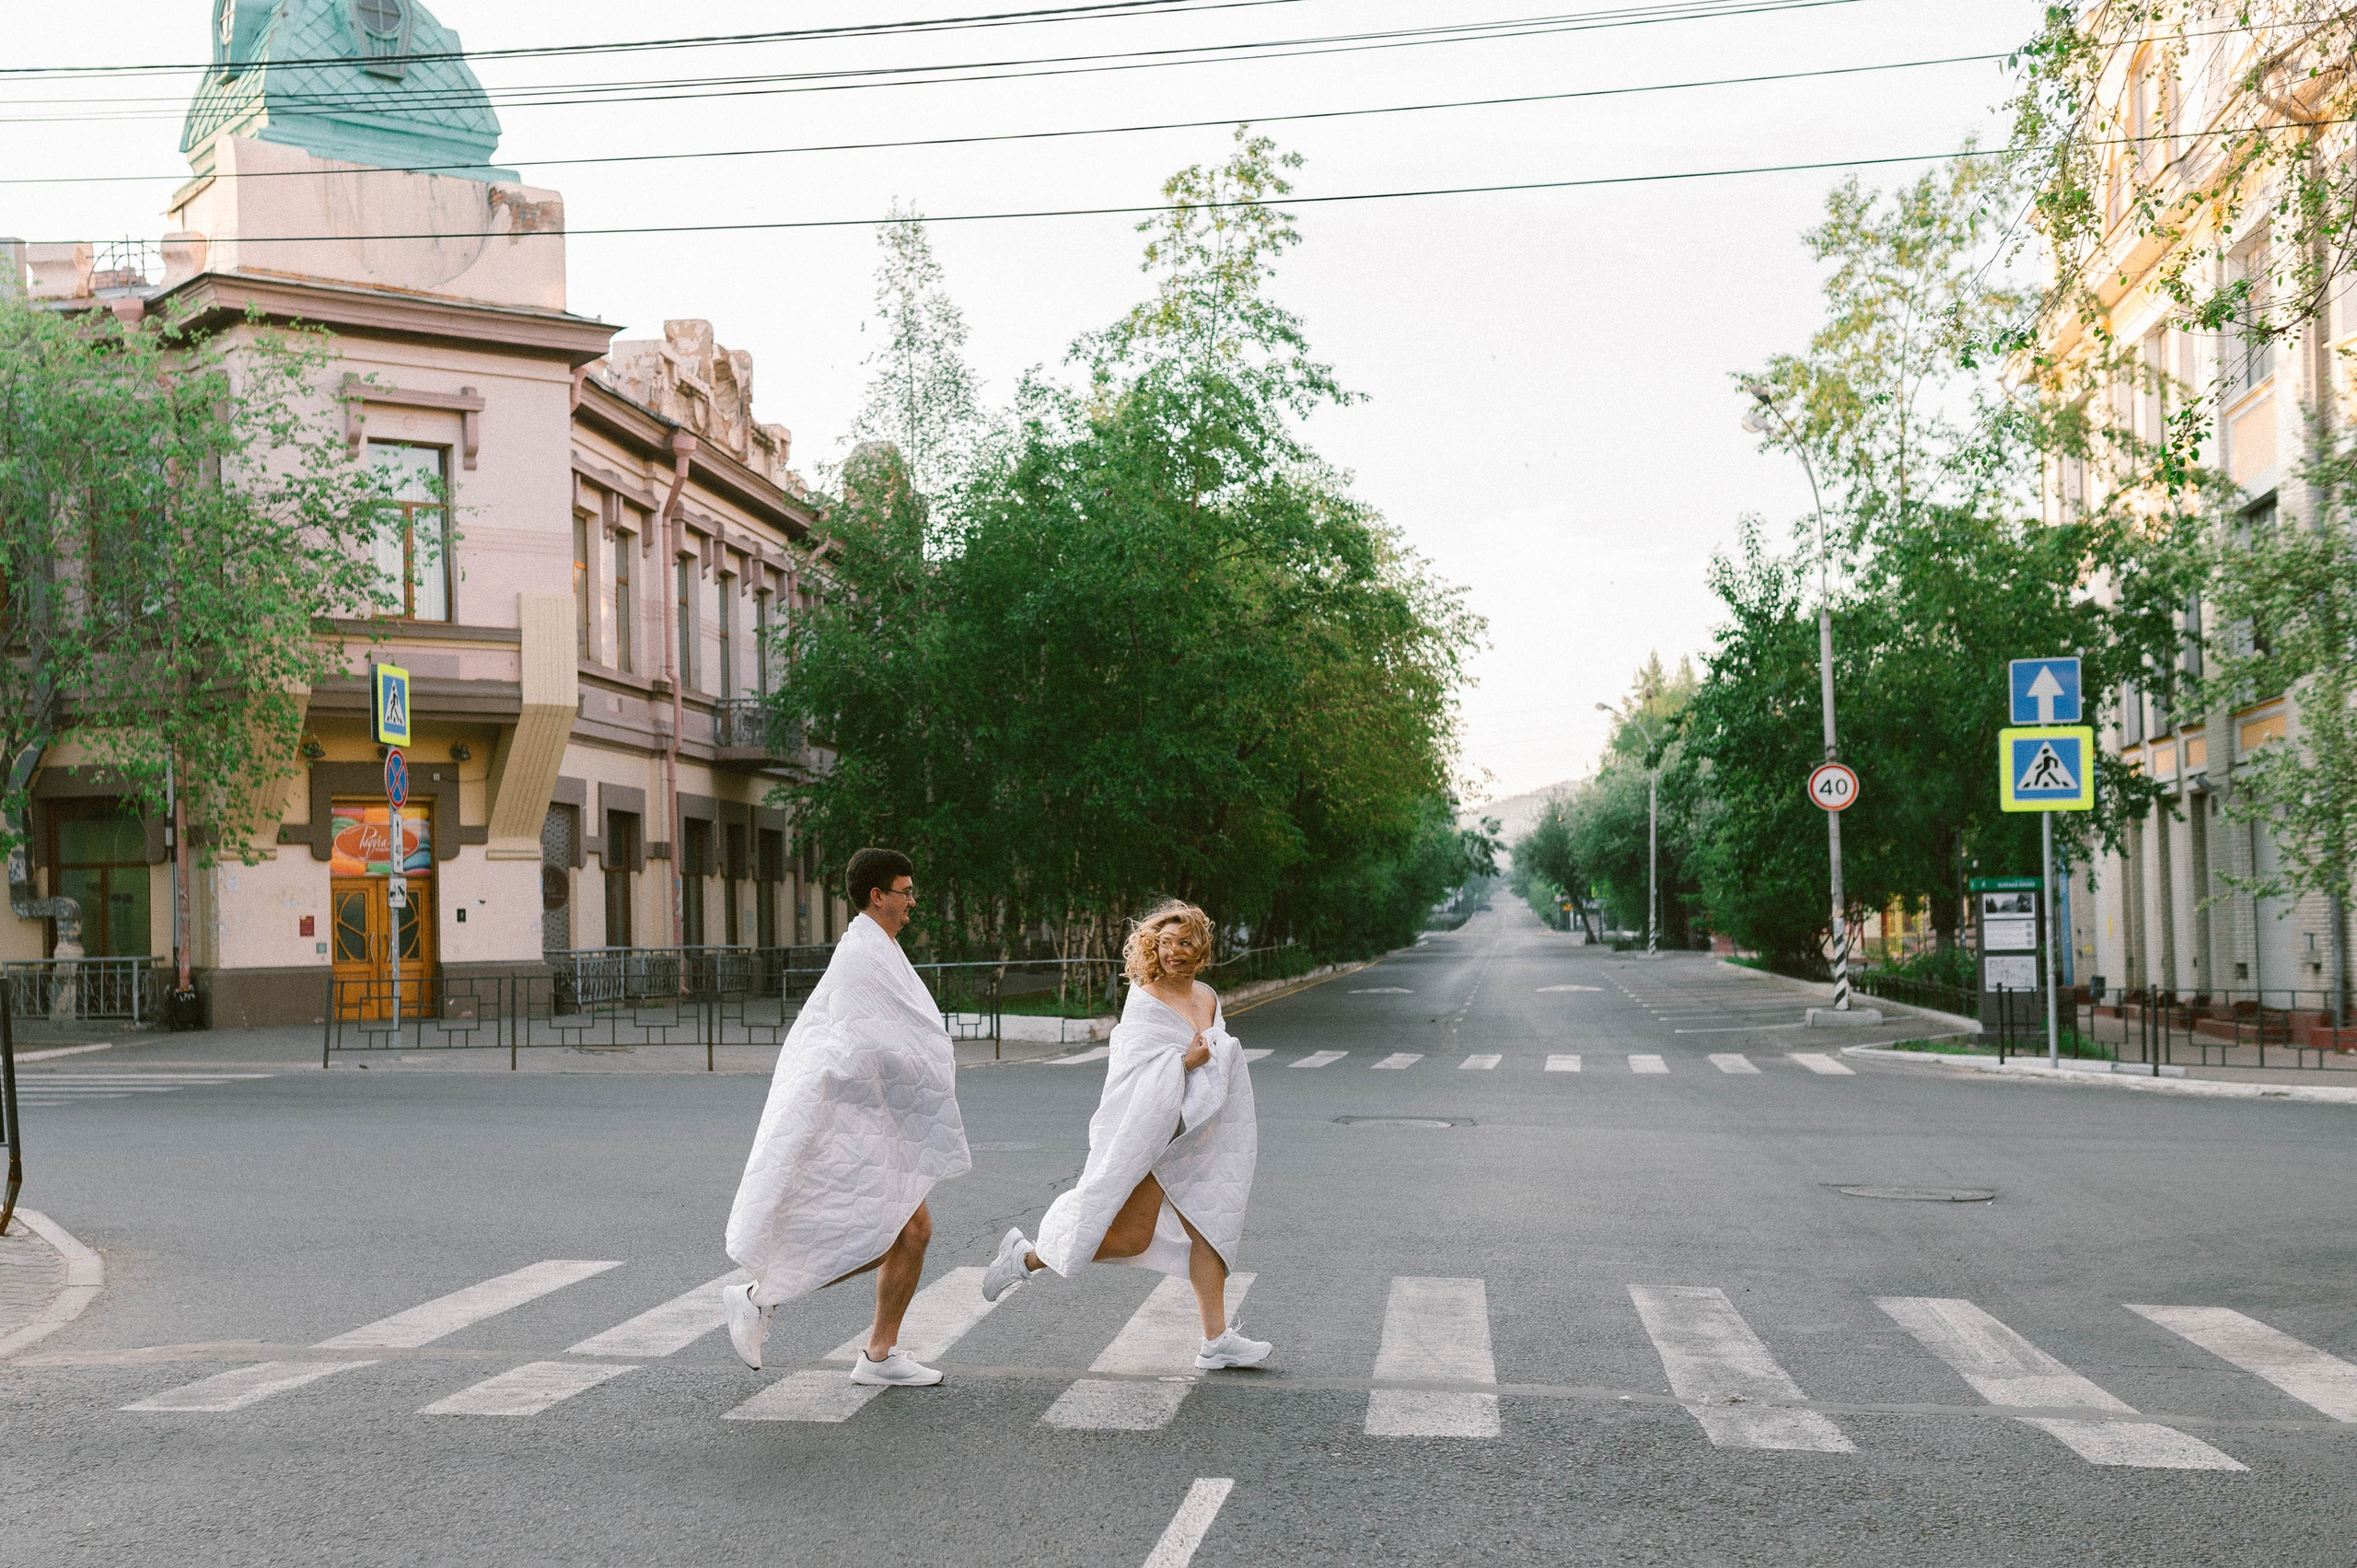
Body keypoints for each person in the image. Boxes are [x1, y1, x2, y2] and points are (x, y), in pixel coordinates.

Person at [981, 900, 1269, 1371]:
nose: (1175, 952)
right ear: (1154, 947)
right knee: (1131, 1239)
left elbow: (1219, 1058)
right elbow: (1131, 1072)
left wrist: (1214, 1057)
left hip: (1196, 1134)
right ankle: (1027, 1257)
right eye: (1167, 943)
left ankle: (1216, 1340)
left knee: (1210, 1230)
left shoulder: (1209, 997)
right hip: (1154, 1137)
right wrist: (1184, 1063)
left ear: (1202, 948)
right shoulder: (1146, 997)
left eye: (1186, 942)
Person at [721, 847, 970, 1386]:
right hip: (854, 1119)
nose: (912, 902)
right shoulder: (862, 954)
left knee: (909, 1233)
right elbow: (861, 1042)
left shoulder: (879, 948)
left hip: (876, 1116)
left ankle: (877, 1355)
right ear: (878, 896)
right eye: (905, 891)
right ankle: (760, 1298)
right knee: (889, 1234)